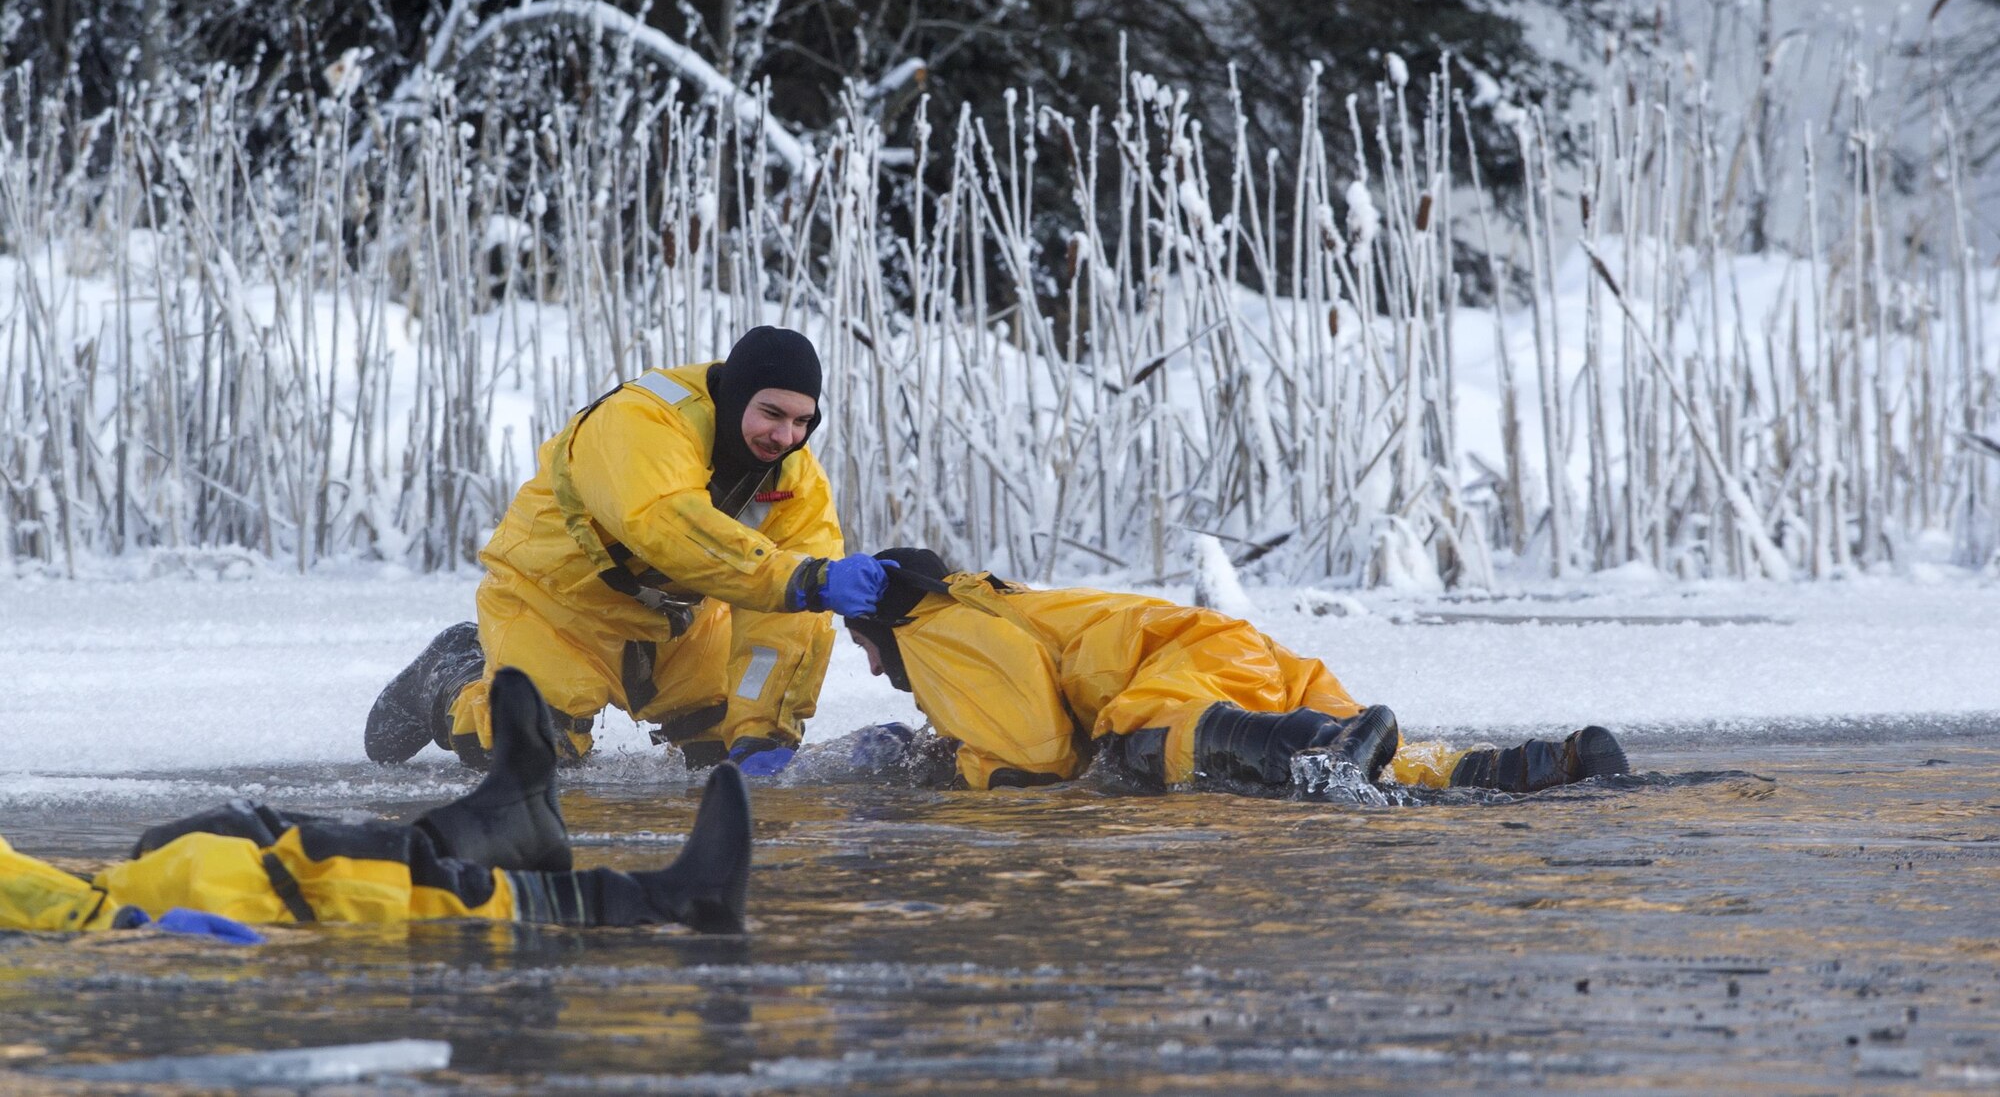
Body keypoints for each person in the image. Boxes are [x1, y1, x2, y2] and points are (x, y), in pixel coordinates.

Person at [364, 327, 896, 773]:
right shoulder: (644, 421)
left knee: (718, 755)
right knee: (527, 752)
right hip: (559, 601)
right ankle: (453, 672)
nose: (785, 436)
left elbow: (786, 615)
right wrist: (804, 580)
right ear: (734, 395)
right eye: (771, 413)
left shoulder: (796, 479)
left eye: (803, 422)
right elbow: (664, 524)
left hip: (677, 624)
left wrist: (764, 732)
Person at [1, 670, 753, 936]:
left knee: (223, 831)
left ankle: (489, 825)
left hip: (78, 895)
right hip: (92, 922)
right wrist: (129, 930)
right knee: (258, 877)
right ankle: (647, 900)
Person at [840, 549, 1630, 796]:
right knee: (1382, 762)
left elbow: (1036, 749)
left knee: (1138, 742)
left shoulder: (933, 627)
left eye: (863, 646)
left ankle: (1324, 743)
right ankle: (1543, 765)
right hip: (1243, 651)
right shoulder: (1000, 600)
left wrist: (971, 769)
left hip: (1177, 670)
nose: (872, 667)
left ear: (878, 623)